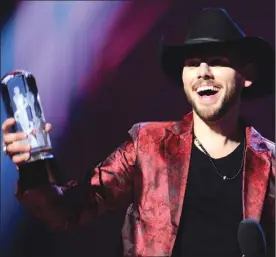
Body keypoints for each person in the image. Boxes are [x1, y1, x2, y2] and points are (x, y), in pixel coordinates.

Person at [1, 8, 275, 257]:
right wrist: (32, 168)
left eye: (217, 61)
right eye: (193, 63)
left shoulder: (268, 164)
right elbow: (68, 209)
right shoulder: (148, 146)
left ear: (245, 75)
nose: (203, 73)